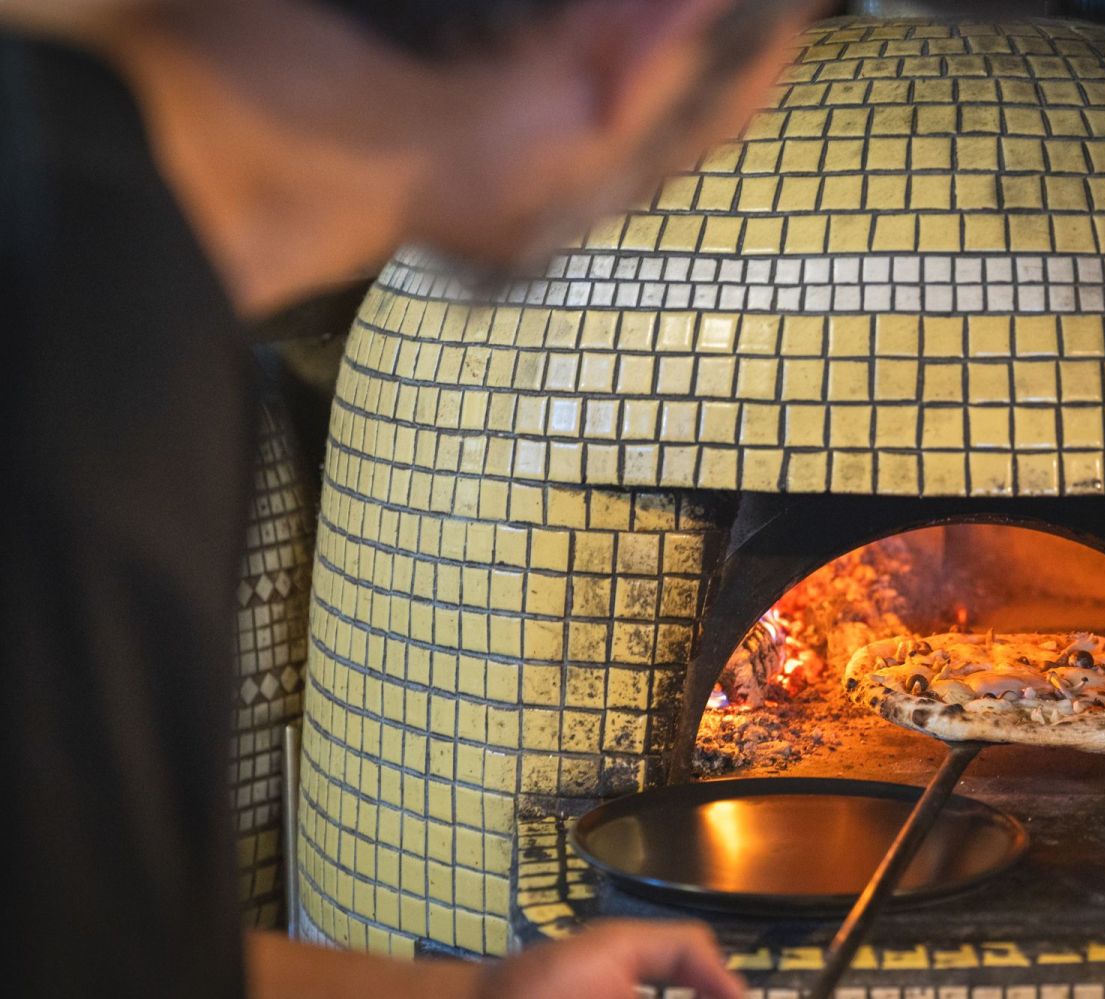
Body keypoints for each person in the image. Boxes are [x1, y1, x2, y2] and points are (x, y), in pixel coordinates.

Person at [0, 1, 823, 996]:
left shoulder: (88, 226)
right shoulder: (83, 354)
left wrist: (470, 994)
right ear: (646, 33)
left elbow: (83, 954)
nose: (721, 141)